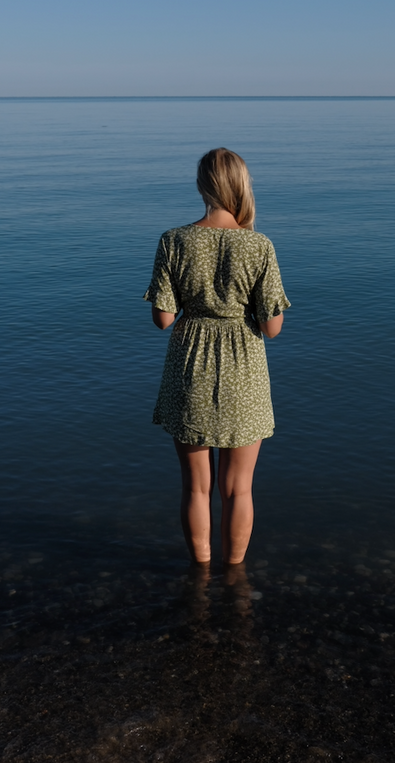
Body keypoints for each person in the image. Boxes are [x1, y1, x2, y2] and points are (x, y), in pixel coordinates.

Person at [144, 147, 290, 566]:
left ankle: (200, 573)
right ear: (241, 185)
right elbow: (272, 327)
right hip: (244, 368)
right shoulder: (259, 246)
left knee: (195, 487)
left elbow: (164, 319)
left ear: (200, 185)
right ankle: (234, 576)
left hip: (189, 364)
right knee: (239, 488)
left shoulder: (173, 240)